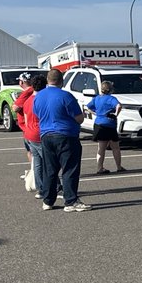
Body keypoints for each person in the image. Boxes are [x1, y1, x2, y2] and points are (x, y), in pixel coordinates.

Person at [32, 68, 90, 213]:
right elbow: (79, 118)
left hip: (46, 135)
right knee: (70, 168)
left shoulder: (38, 97)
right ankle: (70, 201)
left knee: (50, 169)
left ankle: (48, 200)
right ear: (61, 80)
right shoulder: (66, 96)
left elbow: (36, 114)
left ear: (48, 80)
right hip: (66, 135)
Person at [14, 73, 47, 197]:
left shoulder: (27, 100)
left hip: (29, 133)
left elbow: (19, 110)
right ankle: (56, 187)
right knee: (49, 163)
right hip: (40, 133)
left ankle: (41, 189)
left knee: (37, 162)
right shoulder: (40, 99)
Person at [86, 79, 124, 173]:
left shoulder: (97, 98)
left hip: (99, 124)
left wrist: (94, 113)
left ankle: (100, 168)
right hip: (109, 124)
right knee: (115, 147)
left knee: (101, 148)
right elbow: (119, 106)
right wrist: (116, 114)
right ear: (110, 89)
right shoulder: (111, 98)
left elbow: (87, 106)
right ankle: (118, 167)